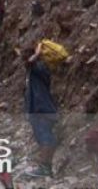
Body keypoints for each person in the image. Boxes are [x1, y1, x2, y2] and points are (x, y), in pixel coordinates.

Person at [23, 40, 62, 178]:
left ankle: (44, 168)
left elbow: (29, 63)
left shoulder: (38, 67)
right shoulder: (34, 71)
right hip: (40, 109)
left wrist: (37, 52)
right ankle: (46, 168)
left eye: (27, 53)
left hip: (41, 110)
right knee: (44, 138)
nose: (24, 56)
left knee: (46, 138)